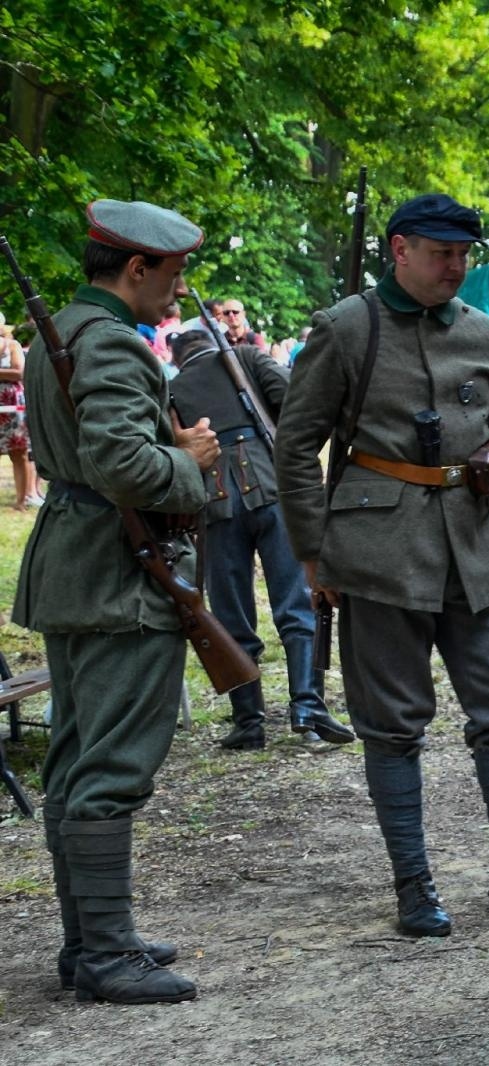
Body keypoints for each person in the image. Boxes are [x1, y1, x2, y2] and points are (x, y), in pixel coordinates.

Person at [275, 192, 489, 936]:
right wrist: (313, 551)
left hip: (475, 548)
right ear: (400, 250)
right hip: (379, 552)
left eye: (463, 255)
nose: (456, 267)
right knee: (391, 724)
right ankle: (413, 886)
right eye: (442, 253)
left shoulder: (480, 330)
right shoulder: (346, 329)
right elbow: (295, 444)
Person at [13, 199, 217, 1003]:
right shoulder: (109, 345)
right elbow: (124, 465)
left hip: (81, 565)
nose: (178, 290)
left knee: (75, 762)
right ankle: (102, 956)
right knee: (110, 767)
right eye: (172, 275)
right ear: (136, 269)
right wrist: (191, 459)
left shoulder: (61, 331)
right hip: (118, 573)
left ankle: (93, 939)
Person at [166, 329, 357, 750]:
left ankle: (249, 723)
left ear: (178, 357)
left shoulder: (172, 389)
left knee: (232, 615)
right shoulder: (248, 357)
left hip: (214, 502)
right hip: (272, 488)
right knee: (297, 604)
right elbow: (297, 403)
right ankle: (306, 710)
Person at [0, 319, 39, 508]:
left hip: (13, 405)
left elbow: (18, 372)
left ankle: (22, 500)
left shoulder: (12, 345)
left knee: (19, 453)